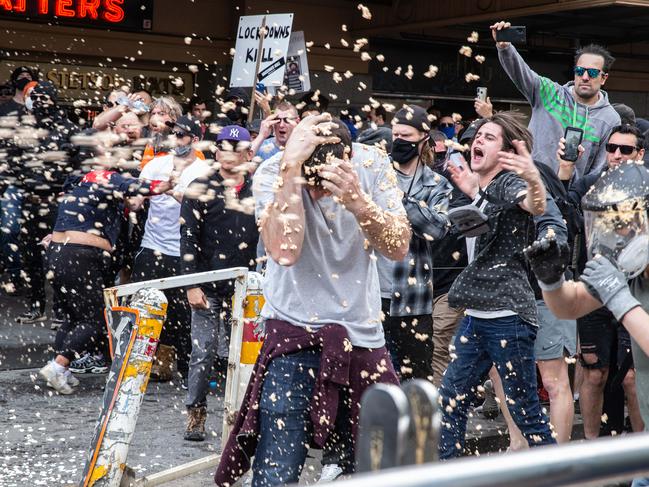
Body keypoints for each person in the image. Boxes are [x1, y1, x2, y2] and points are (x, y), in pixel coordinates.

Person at [214, 114, 411, 486]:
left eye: (325, 182)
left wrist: (358, 201)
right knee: (277, 469)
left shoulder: (372, 163)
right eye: (312, 181)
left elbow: (398, 246)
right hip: (293, 330)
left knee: (376, 466)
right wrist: (292, 171)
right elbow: (284, 251)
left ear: (348, 157)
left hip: (363, 333)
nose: (319, 192)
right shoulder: (276, 169)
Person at [438, 112, 555, 459]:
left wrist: (533, 177)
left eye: (489, 137)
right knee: (451, 397)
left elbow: (535, 204)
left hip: (507, 316)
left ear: (505, 153)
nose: (478, 140)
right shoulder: (485, 189)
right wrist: (473, 191)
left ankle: (562, 477)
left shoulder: (508, 182)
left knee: (526, 413)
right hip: (477, 315)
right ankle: (449, 475)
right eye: (478, 135)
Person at [526, 162, 649, 487]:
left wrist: (619, 299)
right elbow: (571, 305)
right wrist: (551, 279)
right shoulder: (633, 267)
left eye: (623, 225)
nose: (618, 236)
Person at [38, 162, 171, 393]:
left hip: (60, 254)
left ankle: (62, 369)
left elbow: (132, 200)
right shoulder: (103, 176)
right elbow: (141, 187)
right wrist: (167, 184)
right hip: (79, 256)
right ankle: (58, 366)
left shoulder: (81, 189)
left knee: (72, 315)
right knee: (96, 319)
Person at [559, 123, 646, 440]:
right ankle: (593, 455)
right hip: (595, 288)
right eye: (611, 148)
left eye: (625, 149)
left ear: (640, 154)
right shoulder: (589, 184)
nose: (617, 155)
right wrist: (565, 170)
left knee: (631, 377)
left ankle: (638, 455)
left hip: (635, 291)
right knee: (595, 374)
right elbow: (563, 214)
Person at [181, 125, 259, 441]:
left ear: (248, 153)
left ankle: (244, 416)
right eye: (223, 147)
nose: (228, 153)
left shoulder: (259, 189)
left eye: (235, 148)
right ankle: (195, 414)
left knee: (246, 356)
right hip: (208, 283)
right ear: (216, 151)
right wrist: (191, 284)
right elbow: (187, 239)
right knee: (203, 352)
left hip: (247, 284)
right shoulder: (200, 187)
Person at [130, 115, 209, 383]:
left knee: (183, 316)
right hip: (152, 246)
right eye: (174, 134)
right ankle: (140, 367)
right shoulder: (157, 163)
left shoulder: (204, 170)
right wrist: (135, 200)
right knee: (144, 307)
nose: (177, 139)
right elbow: (137, 198)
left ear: (195, 140)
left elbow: (199, 209)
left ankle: (187, 371)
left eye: (183, 135)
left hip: (183, 251)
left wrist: (173, 189)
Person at [376, 104, 451, 382]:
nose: (399, 142)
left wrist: (399, 199)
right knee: (374, 377)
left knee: (415, 377)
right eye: (395, 135)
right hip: (373, 295)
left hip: (413, 299)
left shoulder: (437, 184)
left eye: (406, 136)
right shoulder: (378, 171)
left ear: (423, 140)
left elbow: (436, 229)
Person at [492, 20, 620, 177]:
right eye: (580, 71)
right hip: (530, 183)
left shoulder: (610, 118)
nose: (585, 77)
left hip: (570, 195)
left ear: (604, 78)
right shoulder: (550, 92)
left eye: (592, 73)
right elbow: (521, 72)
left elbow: (599, 167)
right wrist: (505, 48)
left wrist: (577, 196)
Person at [13, 81, 80, 324]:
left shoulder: (69, 130)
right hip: (30, 202)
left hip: (57, 204)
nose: (39, 104)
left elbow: (77, 167)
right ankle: (36, 306)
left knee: (58, 257)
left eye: (44, 99)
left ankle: (62, 311)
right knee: (30, 257)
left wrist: (67, 192)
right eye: (36, 99)